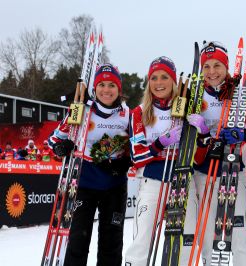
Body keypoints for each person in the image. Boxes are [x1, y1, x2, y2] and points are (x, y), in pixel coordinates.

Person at [187, 41, 246, 265]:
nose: (212, 72)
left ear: (226, 66)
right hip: (204, 173)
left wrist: (244, 135)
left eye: (217, 66)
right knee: (209, 235)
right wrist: (201, 133)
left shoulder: (242, 93)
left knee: (240, 235)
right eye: (207, 67)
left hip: (234, 170)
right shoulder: (194, 95)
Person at [49, 63, 131, 266]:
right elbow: (53, 140)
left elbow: (136, 146)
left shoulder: (127, 114)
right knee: (78, 239)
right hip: (83, 183)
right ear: (95, 88)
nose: (106, 90)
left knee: (111, 241)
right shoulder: (81, 110)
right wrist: (62, 146)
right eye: (101, 84)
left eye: (111, 85)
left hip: (114, 184)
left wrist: (125, 162)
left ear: (118, 89)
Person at [125, 56, 196, 266]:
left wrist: (199, 130)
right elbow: (136, 156)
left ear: (173, 80)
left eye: (164, 77)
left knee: (183, 241)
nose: (159, 82)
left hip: (182, 180)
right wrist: (160, 143)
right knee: (142, 241)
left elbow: (199, 150)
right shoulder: (139, 112)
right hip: (153, 182)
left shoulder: (186, 108)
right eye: (154, 78)